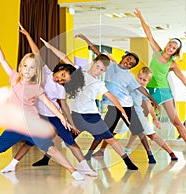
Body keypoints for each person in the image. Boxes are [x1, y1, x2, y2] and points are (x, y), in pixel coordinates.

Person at [0, 28, 85, 181]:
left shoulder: (36, 87)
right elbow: (2, 60)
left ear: (36, 72)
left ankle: (74, 171)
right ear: (20, 67)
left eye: (32, 68)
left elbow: (49, 103)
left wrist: (62, 118)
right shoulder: (14, 78)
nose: (28, 70)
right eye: (25, 66)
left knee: (52, 149)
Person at [0, 23, 97, 177]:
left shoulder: (62, 88)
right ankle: (12, 164)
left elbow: (63, 105)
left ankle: (84, 167)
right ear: (59, 70)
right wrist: (27, 35)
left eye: (65, 80)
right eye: (62, 76)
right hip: (38, 115)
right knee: (30, 142)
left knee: (69, 139)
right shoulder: (44, 71)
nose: (61, 80)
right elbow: (36, 52)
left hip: (54, 116)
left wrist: (70, 122)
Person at [36, 37, 138, 170]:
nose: (98, 71)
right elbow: (65, 58)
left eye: (102, 70)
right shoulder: (78, 72)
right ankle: (45, 158)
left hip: (92, 117)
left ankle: (127, 162)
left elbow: (111, 96)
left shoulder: (99, 83)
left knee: (110, 138)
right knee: (61, 137)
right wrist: (49, 47)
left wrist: (123, 111)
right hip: (76, 116)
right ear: (93, 62)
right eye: (97, 67)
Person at [76, 34, 161, 164]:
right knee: (104, 131)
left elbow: (140, 88)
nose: (128, 63)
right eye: (128, 59)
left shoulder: (130, 76)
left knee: (138, 131)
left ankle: (150, 155)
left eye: (131, 64)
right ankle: (89, 154)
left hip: (126, 106)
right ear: (123, 57)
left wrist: (152, 99)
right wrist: (86, 40)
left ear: (131, 67)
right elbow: (98, 53)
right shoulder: (110, 66)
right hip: (112, 106)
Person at [134, 8, 186, 155]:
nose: (171, 48)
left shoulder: (172, 64)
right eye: (170, 45)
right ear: (167, 45)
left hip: (164, 92)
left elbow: (184, 80)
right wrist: (141, 17)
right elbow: (149, 34)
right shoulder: (157, 51)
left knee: (176, 121)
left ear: (176, 51)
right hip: (150, 90)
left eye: (174, 48)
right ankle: (128, 146)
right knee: (141, 118)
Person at [123, 67, 178, 161]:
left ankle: (170, 152)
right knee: (113, 131)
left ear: (148, 81)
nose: (141, 81)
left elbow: (149, 106)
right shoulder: (130, 86)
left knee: (151, 134)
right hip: (125, 113)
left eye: (144, 80)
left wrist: (155, 119)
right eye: (140, 78)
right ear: (137, 76)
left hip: (138, 115)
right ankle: (120, 148)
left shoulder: (145, 91)